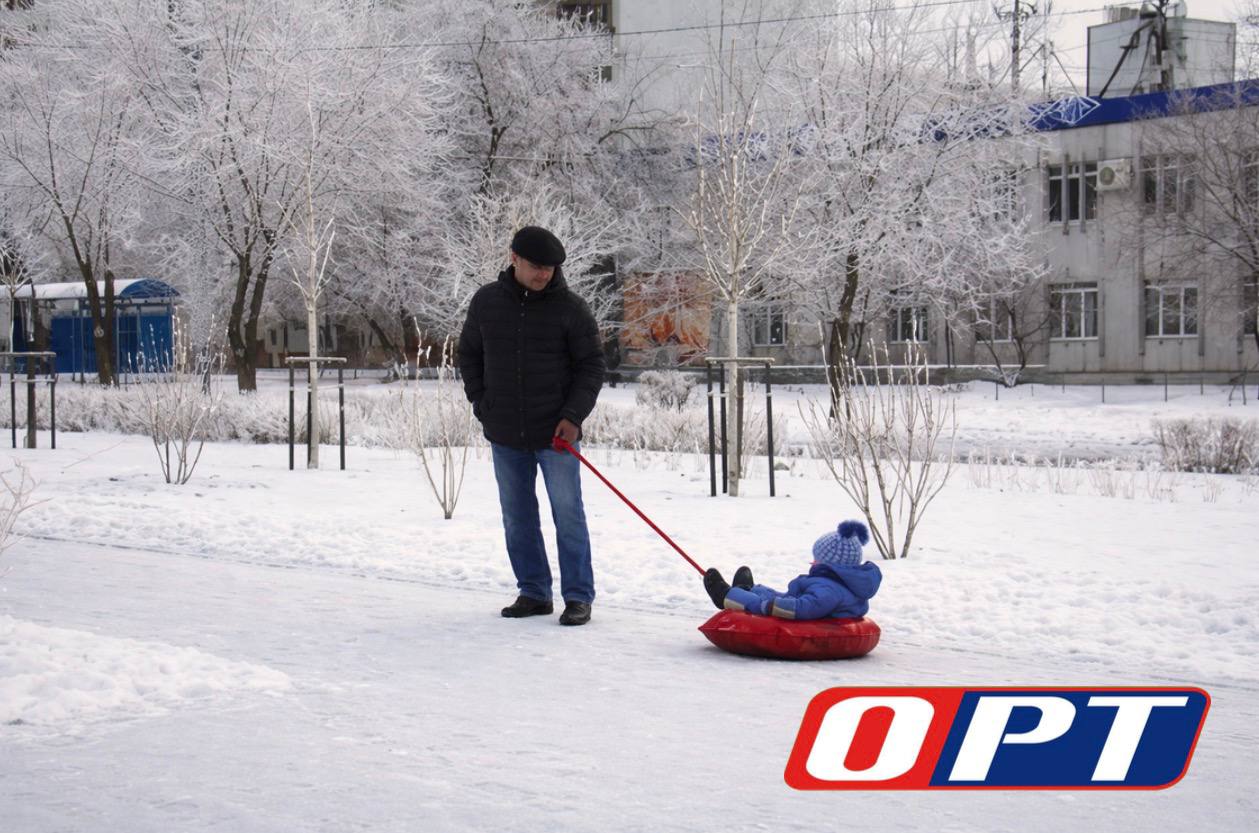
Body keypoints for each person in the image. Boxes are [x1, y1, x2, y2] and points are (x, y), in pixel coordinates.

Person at [458, 226, 606, 626]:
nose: (544, 274)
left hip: (556, 436)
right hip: (504, 431)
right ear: (514, 259)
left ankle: (578, 596)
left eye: (551, 268)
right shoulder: (486, 302)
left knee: (568, 514)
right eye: (537, 266)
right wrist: (481, 402)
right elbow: (468, 355)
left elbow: (592, 366)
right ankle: (534, 591)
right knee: (517, 516)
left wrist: (573, 417)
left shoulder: (571, 309)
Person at [702, 520, 882, 619]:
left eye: (816, 559)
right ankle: (749, 589)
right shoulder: (841, 584)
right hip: (803, 601)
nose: (812, 563)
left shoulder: (828, 590)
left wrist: (774, 606)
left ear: (831, 566)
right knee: (777, 595)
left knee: (764, 604)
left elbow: (806, 608)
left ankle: (725, 596)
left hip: (801, 614)